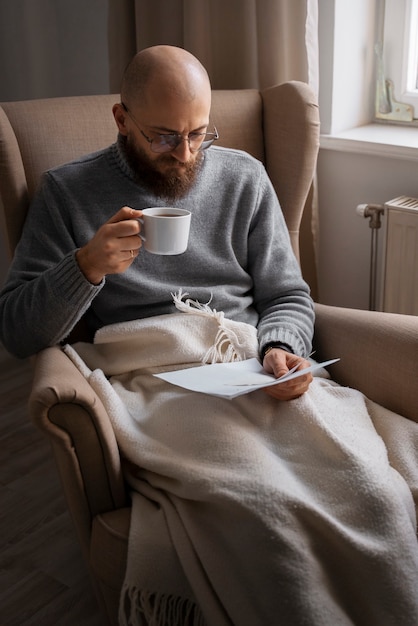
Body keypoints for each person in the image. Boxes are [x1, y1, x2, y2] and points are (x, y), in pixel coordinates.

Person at [0, 44, 314, 401]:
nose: (185, 154)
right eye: (164, 137)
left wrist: (279, 346)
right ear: (121, 119)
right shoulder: (66, 193)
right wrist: (85, 266)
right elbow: (16, 333)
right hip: (149, 382)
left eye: (197, 134)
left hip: (246, 367)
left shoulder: (245, 178)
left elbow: (287, 294)